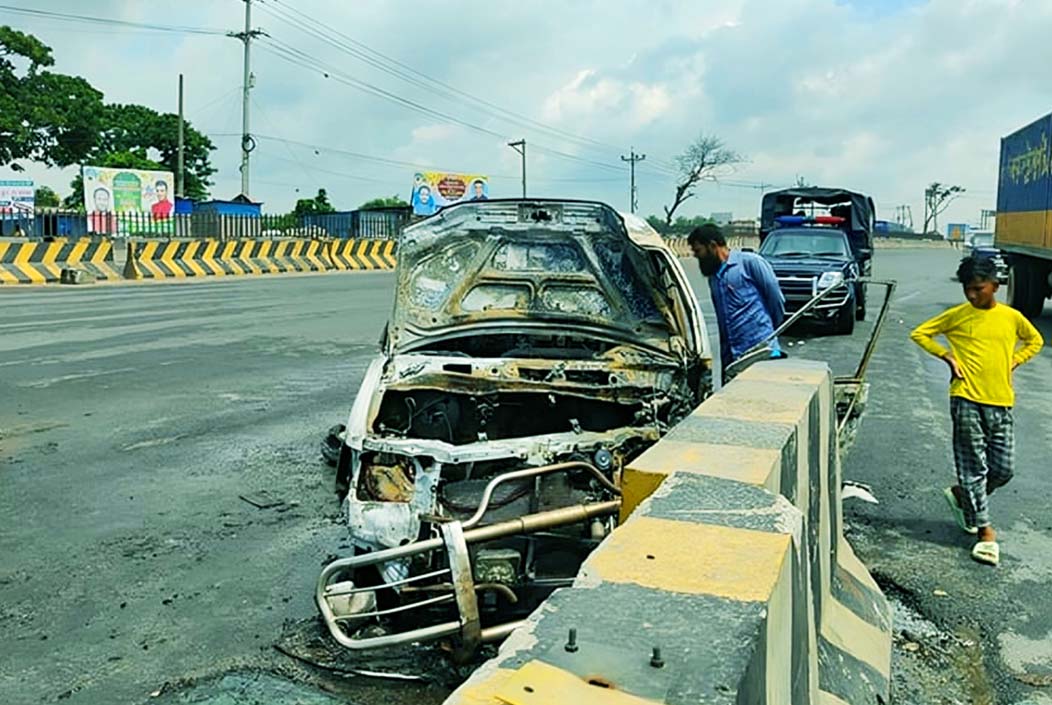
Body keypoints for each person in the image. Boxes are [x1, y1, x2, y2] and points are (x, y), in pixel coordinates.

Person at [910, 256, 1043, 566]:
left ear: (995, 286)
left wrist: (1015, 361)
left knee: (1003, 469)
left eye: (979, 289)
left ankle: (961, 494)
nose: (972, 295)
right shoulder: (958, 316)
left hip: (1001, 401)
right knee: (974, 467)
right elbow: (920, 333)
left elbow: (1034, 340)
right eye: (968, 289)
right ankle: (985, 531)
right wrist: (947, 357)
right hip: (966, 398)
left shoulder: (1012, 317)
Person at [689, 223, 785, 381]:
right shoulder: (714, 278)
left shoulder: (750, 263)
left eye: (698, 250)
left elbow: (776, 300)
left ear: (713, 246)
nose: (696, 256)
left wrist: (769, 331)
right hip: (734, 360)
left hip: (762, 352)